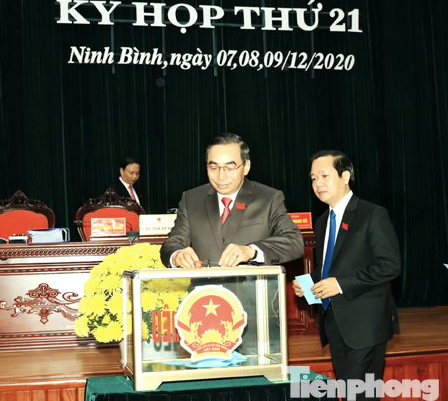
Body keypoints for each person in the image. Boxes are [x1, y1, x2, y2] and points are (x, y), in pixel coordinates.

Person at [293, 150, 401, 400]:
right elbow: (328, 266)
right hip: (335, 323)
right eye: (313, 178)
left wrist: (340, 285)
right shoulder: (323, 221)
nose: (318, 184)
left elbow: (390, 265)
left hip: (365, 325)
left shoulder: (372, 213)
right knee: (349, 394)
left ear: (345, 176)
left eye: (324, 176)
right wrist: (309, 282)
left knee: (360, 396)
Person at [160, 133, 303, 268]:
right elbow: (171, 245)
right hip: (205, 286)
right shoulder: (191, 199)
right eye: (214, 167)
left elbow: (294, 243)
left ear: (246, 166)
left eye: (230, 167)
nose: (221, 176)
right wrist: (177, 255)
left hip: (253, 285)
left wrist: (251, 251)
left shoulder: (268, 198)